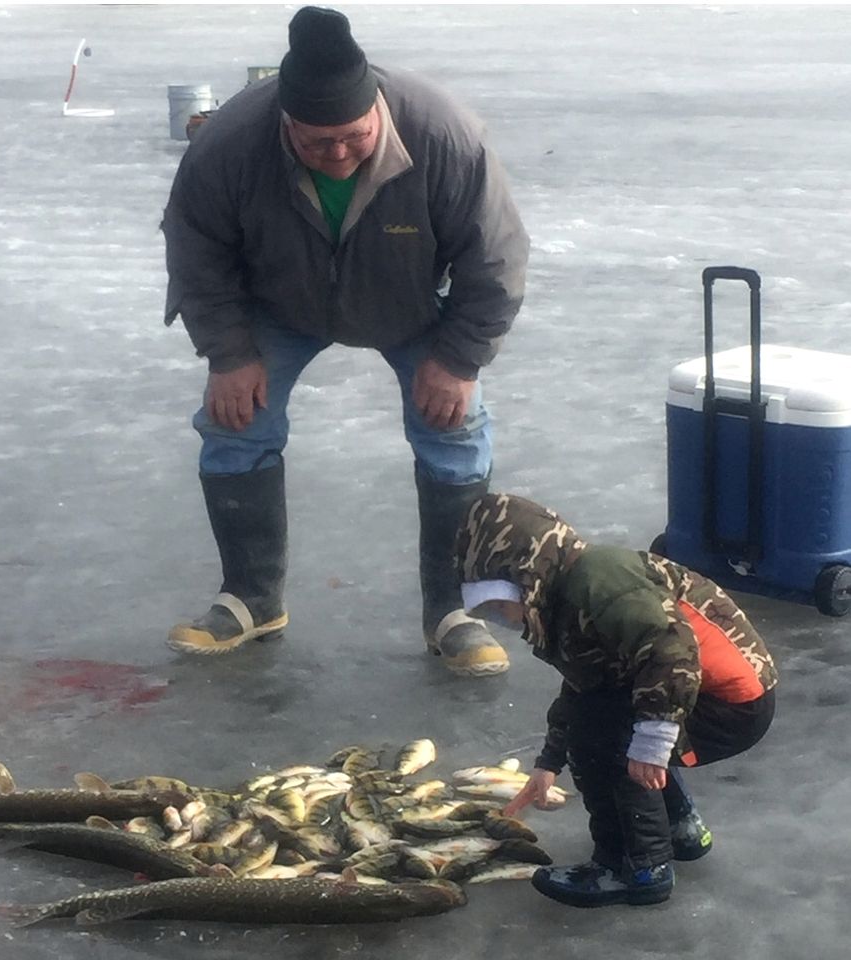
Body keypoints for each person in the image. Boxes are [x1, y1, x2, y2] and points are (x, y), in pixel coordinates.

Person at [160, 6, 530, 675]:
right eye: (315, 142)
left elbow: (495, 258)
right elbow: (196, 252)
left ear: (376, 112)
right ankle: (251, 598)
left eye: (353, 137)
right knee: (234, 423)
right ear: (286, 122)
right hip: (279, 302)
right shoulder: (231, 142)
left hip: (409, 304)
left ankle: (453, 611)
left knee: (454, 429)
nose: (336, 153)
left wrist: (457, 360)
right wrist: (230, 354)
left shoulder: (443, 135)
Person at [454, 493, 778, 907]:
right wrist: (549, 763)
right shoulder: (563, 596)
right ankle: (680, 829)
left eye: (501, 603)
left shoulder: (598, 581)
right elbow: (585, 687)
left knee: (606, 745)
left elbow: (670, 650)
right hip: (695, 691)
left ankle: (635, 868)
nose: (503, 618)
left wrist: (653, 740)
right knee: (601, 723)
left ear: (527, 573)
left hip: (728, 701)